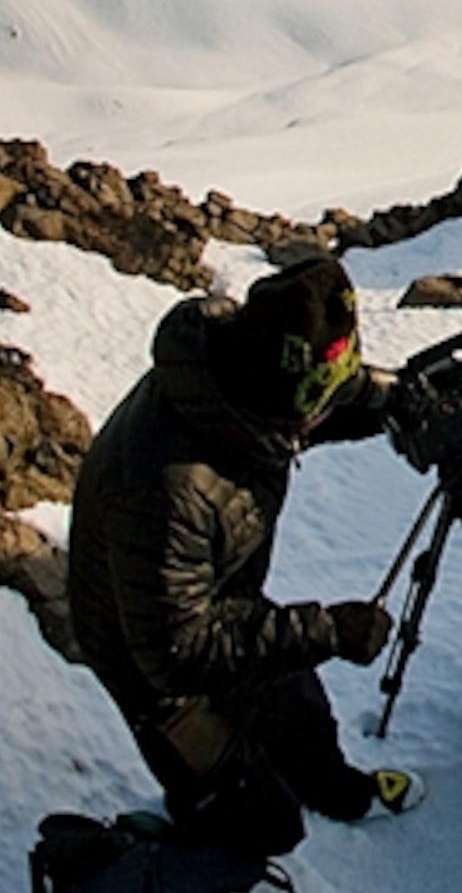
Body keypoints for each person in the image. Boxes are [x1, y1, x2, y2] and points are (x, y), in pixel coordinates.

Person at [68, 250, 419, 857]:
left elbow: (331, 391)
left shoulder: (244, 361)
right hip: (153, 657)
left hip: (217, 600)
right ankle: (188, 843)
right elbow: (180, 651)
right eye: (311, 402)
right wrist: (330, 628)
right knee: (260, 825)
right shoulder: (164, 487)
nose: (319, 413)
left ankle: (332, 787)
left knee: (299, 709)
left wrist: (410, 396)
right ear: (281, 398)